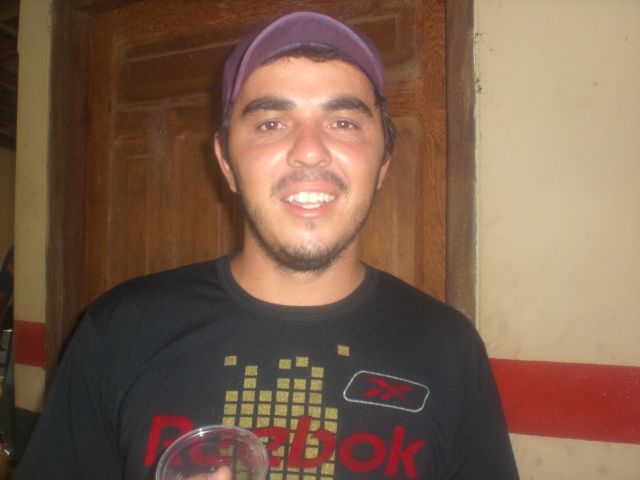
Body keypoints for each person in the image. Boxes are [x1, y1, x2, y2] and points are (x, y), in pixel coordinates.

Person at [13, 11, 518, 480]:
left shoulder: (449, 347)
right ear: (227, 164)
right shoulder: (119, 330)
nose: (309, 151)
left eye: (343, 122)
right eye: (270, 123)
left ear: (383, 163)